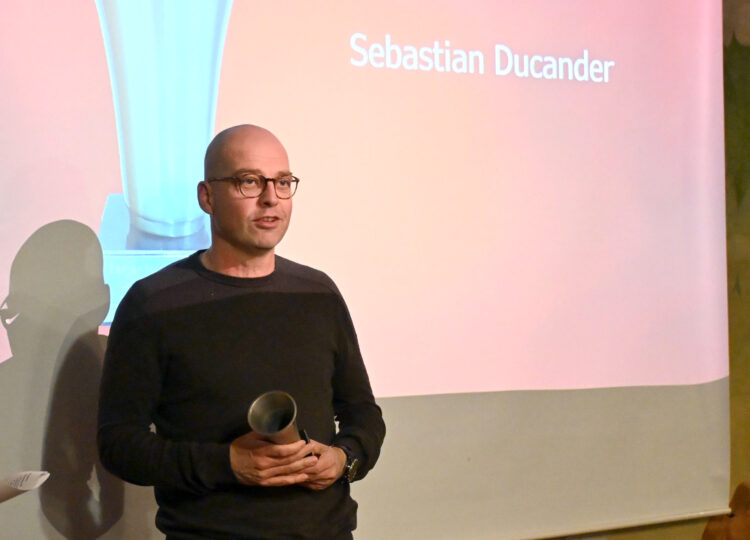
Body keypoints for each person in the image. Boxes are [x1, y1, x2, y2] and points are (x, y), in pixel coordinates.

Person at [97, 124, 385, 539]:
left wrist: (344, 459)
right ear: (207, 197)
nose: (270, 197)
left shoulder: (318, 294)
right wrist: (228, 464)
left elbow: (363, 413)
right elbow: (119, 443)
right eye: (249, 181)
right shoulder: (154, 304)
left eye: (282, 182)